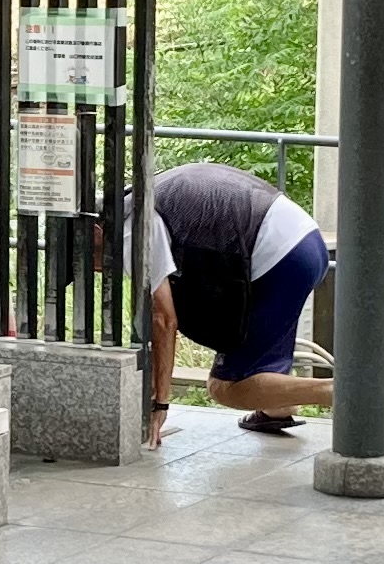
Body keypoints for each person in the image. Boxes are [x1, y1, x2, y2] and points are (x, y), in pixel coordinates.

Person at [121, 157, 333, 448]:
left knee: (226, 388)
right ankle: (276, 411)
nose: (96, 270)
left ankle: (341, 392)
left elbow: (164, 319)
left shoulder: (133, 227)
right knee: (262, 368)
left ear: (96, 231)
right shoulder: (139, 199)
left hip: (277, 257)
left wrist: (160, 404)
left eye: (87, 258)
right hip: (304, 241)